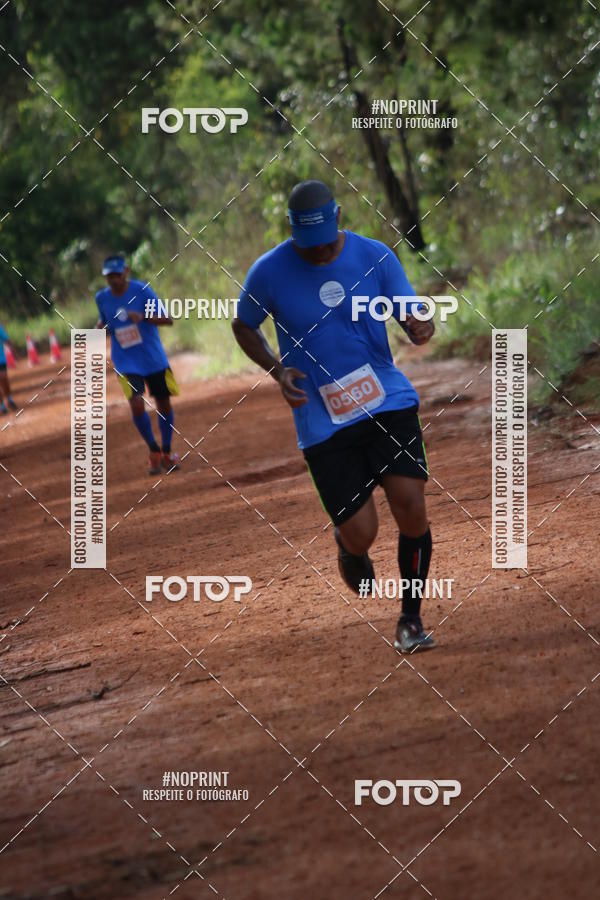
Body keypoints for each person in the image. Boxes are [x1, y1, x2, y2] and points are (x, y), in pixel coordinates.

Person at [232, 180, 436, 653]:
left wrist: (421, 325)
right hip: (322, 420)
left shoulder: (375, 257)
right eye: (309, 244)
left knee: (411, 504)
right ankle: (349, 546)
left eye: (325, 240)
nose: (320, 251)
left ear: (339, 217)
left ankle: (410, 619)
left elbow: (412, 315)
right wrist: (276, 369)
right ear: (291, 230)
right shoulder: (268, 272)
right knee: (363, 532)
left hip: (386, 400)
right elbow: (244, 325)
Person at [95, 254, 180, 475]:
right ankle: (153, 451)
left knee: (163, 403)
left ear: (126, 272)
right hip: (125, 361)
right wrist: (100, 329)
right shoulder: (101, 298)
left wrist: (142, 316)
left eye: (117, 275)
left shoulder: (142, 291)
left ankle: (167, 451)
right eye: (109, 276)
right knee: (136, 403)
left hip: (152, 358)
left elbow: (167, 319)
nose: (114, 280)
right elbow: (105, 321)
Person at [0, 324, 18, 414]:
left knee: (3, 378)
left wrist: (13, 352)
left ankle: (9, 399)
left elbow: (6, 340)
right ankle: (2, 405)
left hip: (0, 359)